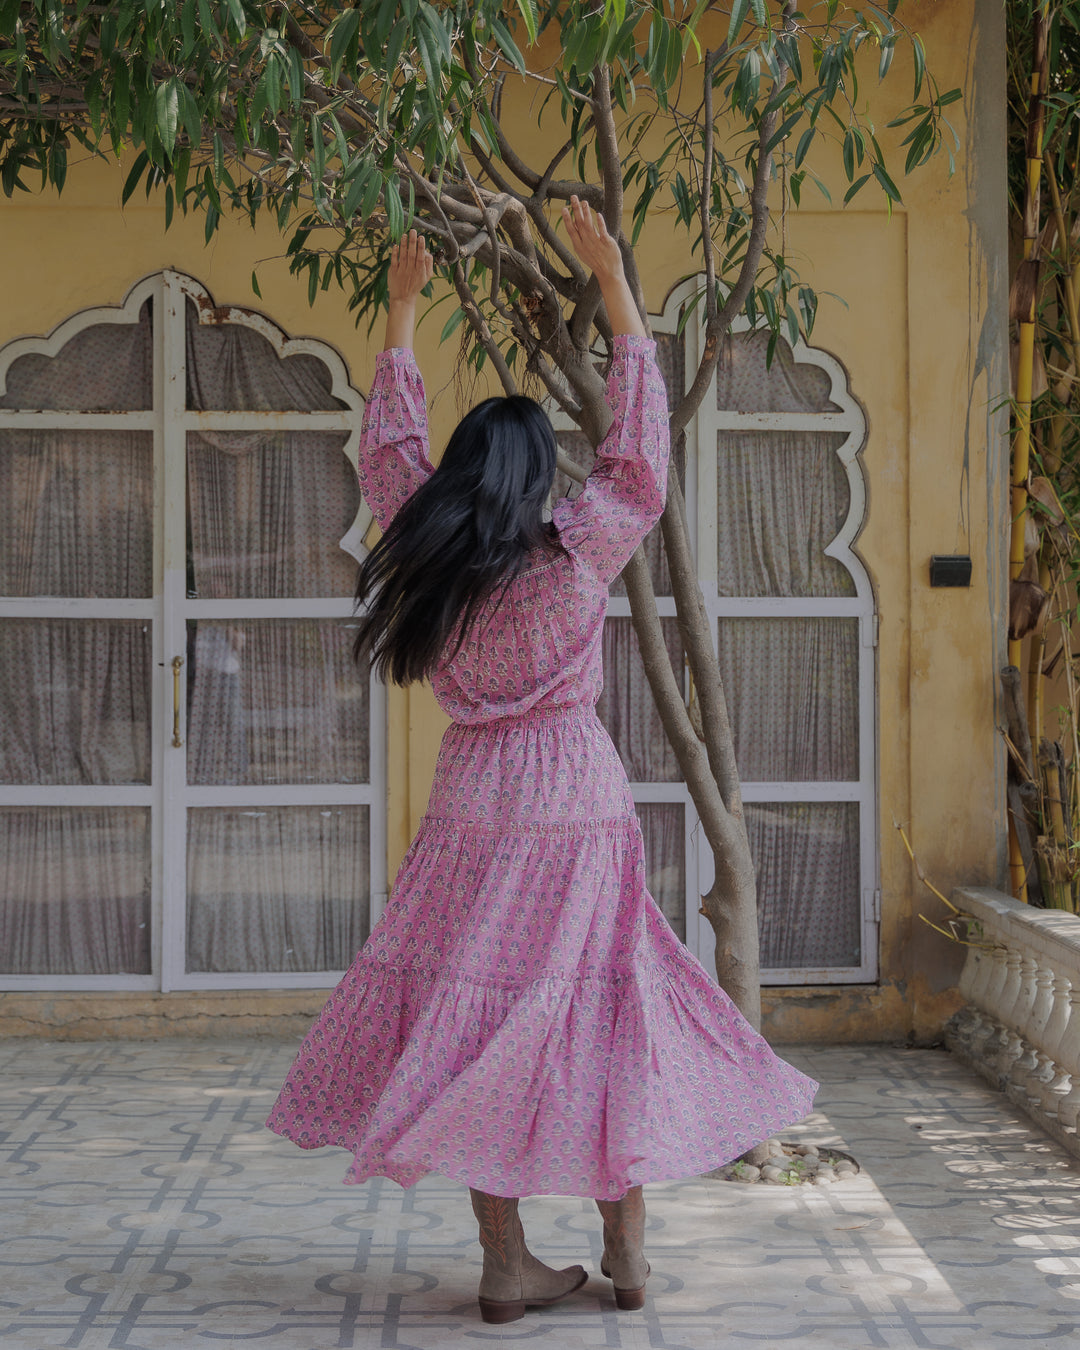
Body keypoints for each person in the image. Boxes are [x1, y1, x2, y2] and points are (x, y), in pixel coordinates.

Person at [266, 198, 817, 1324]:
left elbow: (387, 454)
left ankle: (507, 1263)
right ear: (533, 480)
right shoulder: (575, 556)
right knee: (606, 1007)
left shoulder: (431, 559)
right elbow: (641, 459)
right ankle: (628, 1250)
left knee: (479, 1023)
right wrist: (615, 289)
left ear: (467, 480)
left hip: (476, 795)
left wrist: (405, 316)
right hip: (576, 797)